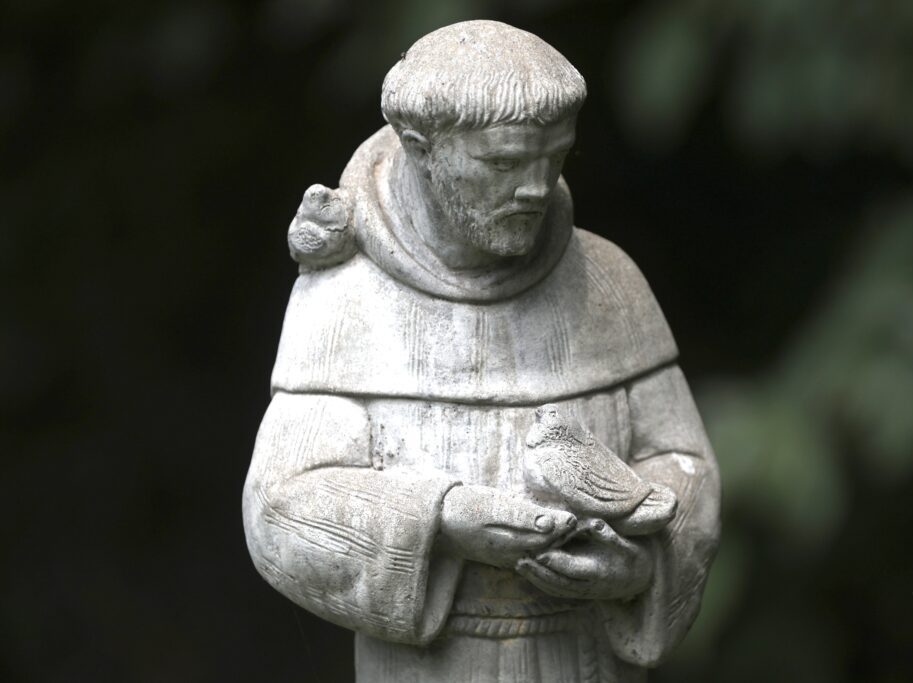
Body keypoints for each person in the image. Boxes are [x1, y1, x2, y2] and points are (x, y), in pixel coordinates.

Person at [243, 20, 720, 683]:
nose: (536, 187)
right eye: (502, 163)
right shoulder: (348, 300)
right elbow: (279, 506)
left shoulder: (607, 283)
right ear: (421, 148)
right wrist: (443, 519)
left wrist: (639, 568)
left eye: (553, 158)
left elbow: (686, 467)